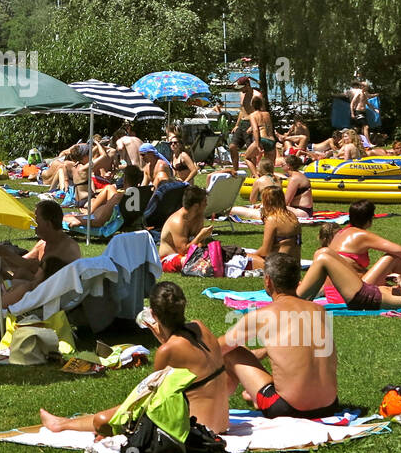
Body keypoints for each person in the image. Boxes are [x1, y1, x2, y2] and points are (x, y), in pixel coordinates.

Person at [38, 281, 231, 438]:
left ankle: (62, 424)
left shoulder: (167, 349)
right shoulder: (200, 327)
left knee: (103, 420)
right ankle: (64, 423)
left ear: (154, 314)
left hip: (197, 428)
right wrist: (165, 339)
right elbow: (186, 358)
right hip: (221, 420)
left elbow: (149, 398)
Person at [221, 252, 339, 418]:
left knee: (233, 352)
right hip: (329, 406)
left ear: (268, 280)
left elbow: (217, 349)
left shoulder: (263, 315)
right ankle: (252, 395)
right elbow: (300, 347)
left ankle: (214, 406)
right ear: (297, 281)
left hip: (289, 409)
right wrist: (261, 352)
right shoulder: (318, 310)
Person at [319, 200, 401, 304]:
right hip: (349, 293)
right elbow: (400, 250)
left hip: (333, 294)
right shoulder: (361, 235)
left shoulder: (341, 233)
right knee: (393, 258)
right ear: (370, 219)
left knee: (389, 284)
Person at [245, 186, 301, 270]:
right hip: (295, 264)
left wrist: (252, 254)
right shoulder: (292, 216)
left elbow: (265, 251)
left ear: (267, 201)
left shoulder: (272, 220)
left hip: (280, 266)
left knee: (243, 258)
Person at [158, 186, 212, 272]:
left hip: (189, 255)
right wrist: (200, 236)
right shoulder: (177, 222)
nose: (206, 204)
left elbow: (200, 245)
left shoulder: (198, 216)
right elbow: (182, 251)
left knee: (213, 255)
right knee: (186, 260)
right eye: (204, 202)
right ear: (196, 206)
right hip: (169, 259)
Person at [284, 154, 313, 218]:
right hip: (306, 211)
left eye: (283, 164)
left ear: (288, 166)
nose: (281, 165)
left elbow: (286, 202)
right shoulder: (298, 175)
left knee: (269, 208)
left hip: (301, 212)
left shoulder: (294, 179)